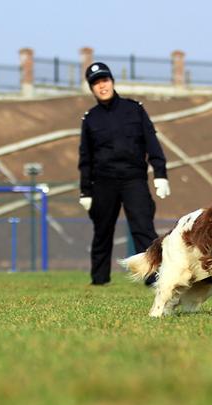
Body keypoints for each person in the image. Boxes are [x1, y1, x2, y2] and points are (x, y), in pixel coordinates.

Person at [78, 62, 171, 285]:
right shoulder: (90, 119)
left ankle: (155, 277)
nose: (102, 86)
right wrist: (85, 191)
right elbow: (85, 158)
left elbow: (152, 142)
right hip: (103, 182)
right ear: (92, 89)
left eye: (104, 80)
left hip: (133, 179)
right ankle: (99, 280)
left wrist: (160, 173)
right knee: (102, 231)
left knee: (143, 228)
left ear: (112, 81)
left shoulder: (134, 109)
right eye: (96, 83)